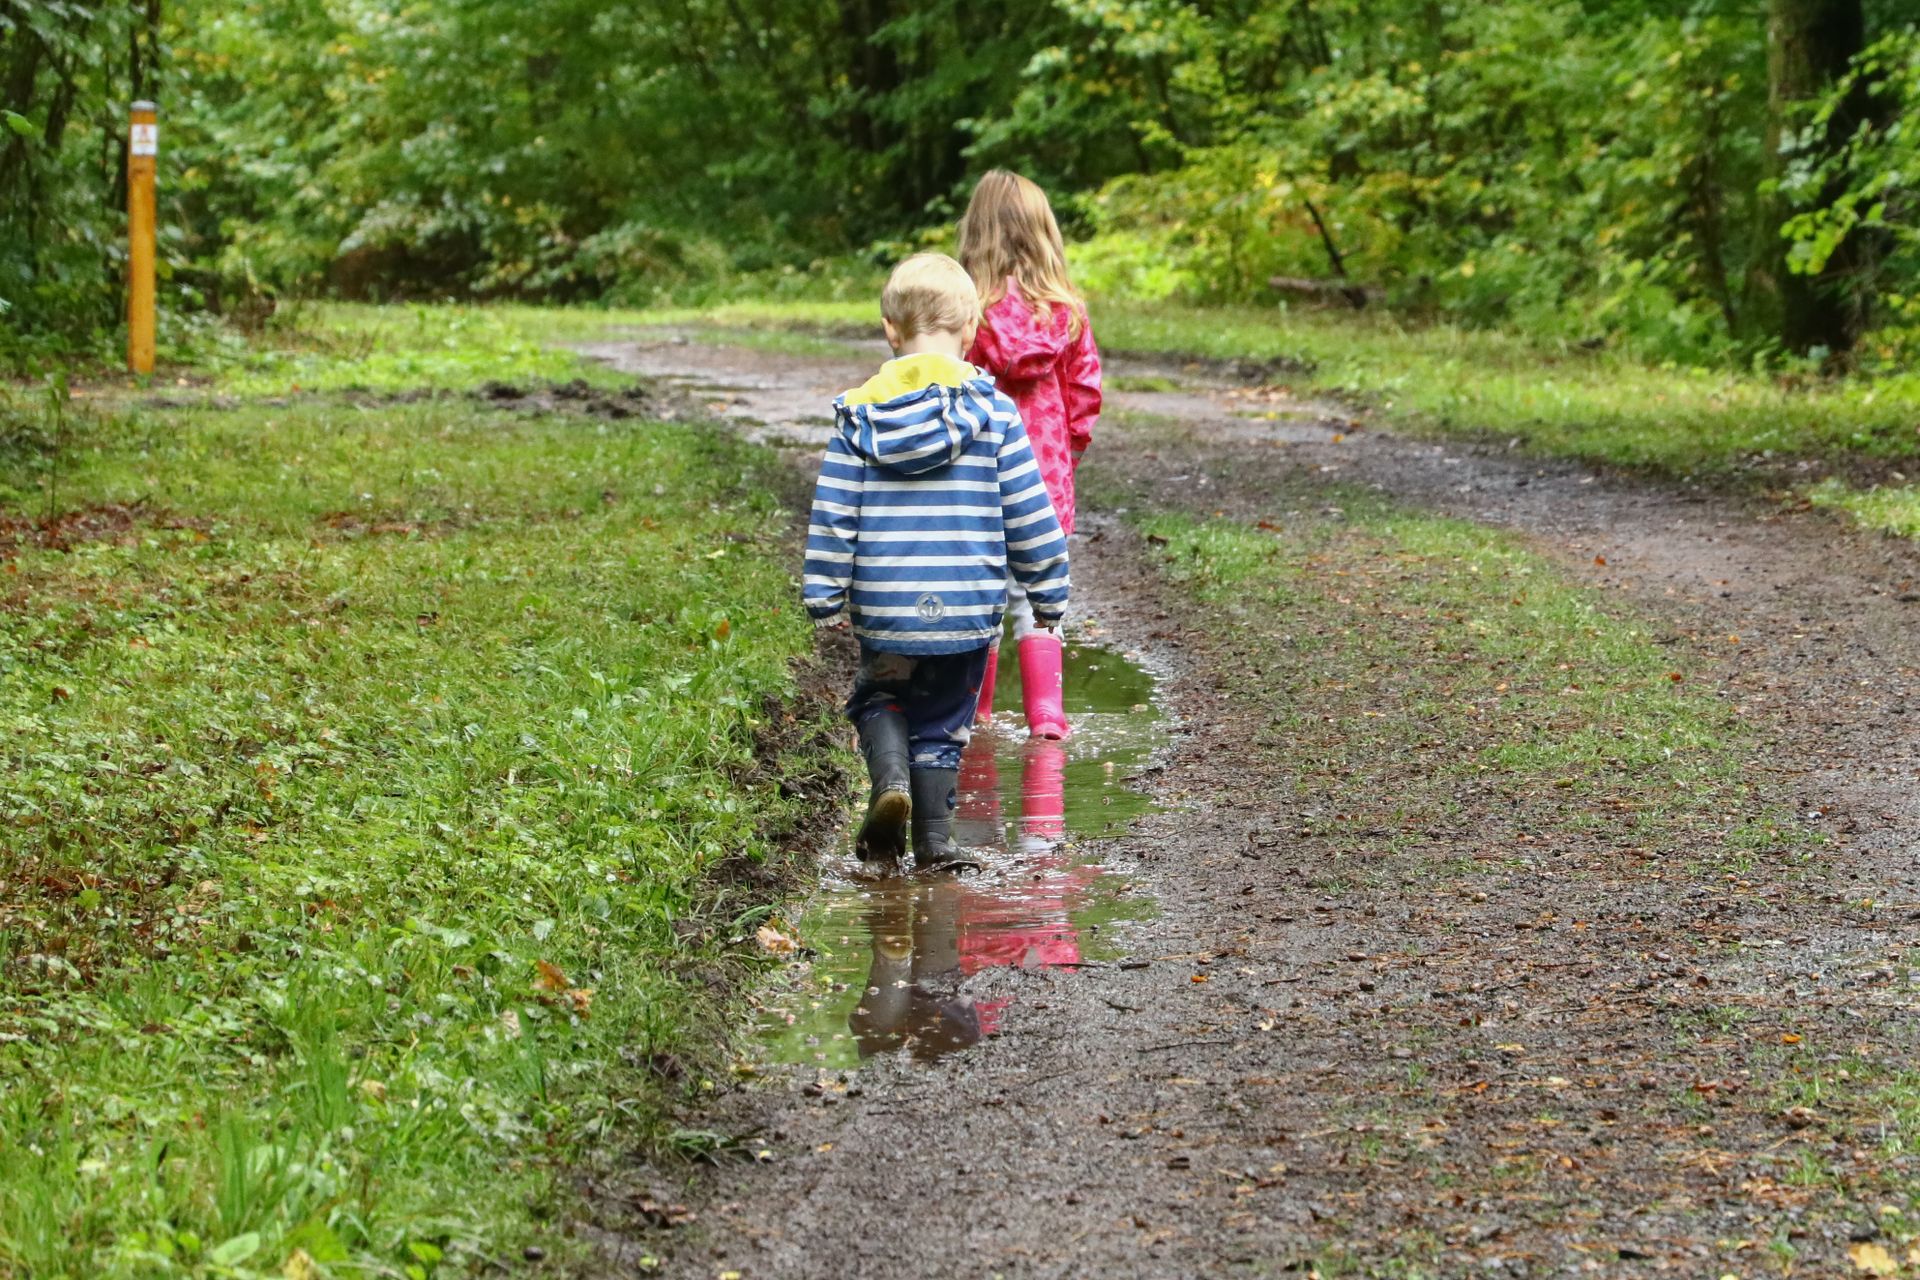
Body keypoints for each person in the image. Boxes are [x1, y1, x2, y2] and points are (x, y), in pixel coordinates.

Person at [803, 253, 1070, 870]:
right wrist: (1047, 593)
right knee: (945, 725)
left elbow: (835, 512)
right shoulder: (996, 414)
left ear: (890, 331)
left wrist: (824, 593)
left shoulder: (858, 419)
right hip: (968, 606)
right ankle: (936, 842)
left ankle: (889, 779)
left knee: (879, 698)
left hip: (888, 605)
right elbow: (1030, 514)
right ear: (972, 332)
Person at [958, 169, 1103, 740]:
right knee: (1037, 596)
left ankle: (975, 710)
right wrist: (1072, 451)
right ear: (1043, 235)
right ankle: (1047, 714)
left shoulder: (964, 314)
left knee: (985, 597)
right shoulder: (1066, 314)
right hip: (1044, 478)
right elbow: (1084, 393)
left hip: (977, 479)